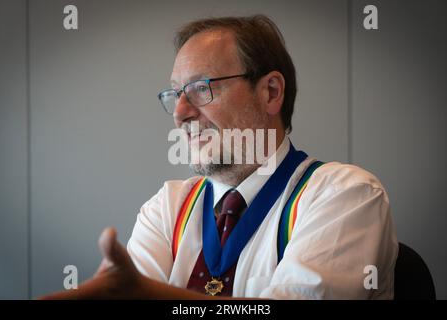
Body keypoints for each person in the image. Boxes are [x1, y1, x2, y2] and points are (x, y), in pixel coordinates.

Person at [41, 15, 398, 300]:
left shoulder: (346, 194)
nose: (180, 112)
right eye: (175, 93)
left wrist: (146, 294)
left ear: (271, 92)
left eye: (201, 88)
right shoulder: (167, 207)